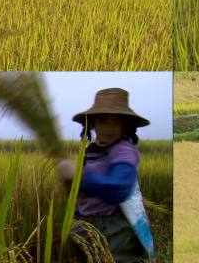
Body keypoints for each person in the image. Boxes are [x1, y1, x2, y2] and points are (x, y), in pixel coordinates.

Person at [57, 88, 155, 262]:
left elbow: (119, 188)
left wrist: (80, 176)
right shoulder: (91, 150)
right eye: (103, 121)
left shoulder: (123, 150)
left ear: (126, 125)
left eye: (116, 122)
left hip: (114, 232)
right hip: (86, 225)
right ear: (93, 123)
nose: (109, 129)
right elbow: (83, 197)